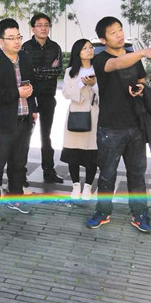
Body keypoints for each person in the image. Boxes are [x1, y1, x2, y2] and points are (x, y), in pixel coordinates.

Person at [86, 17, 151, 233]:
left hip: (136, 125)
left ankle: (140, 214)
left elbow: (141, 80)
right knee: (107, 174)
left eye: (120, 29)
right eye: (112, 32)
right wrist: (143, 52)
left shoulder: (133, 57)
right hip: (110, 128)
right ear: (103, 39)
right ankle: (103, 212)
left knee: (137, 173)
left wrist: (139, 88)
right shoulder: (100, 59)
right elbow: (117, 64)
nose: (119, 34)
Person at [0, 18, 37, 220]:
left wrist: (33, 108)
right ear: (0, 41)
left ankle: (15, 197)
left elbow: (31, 85)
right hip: (3, 123)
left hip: (24, 119)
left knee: (19, 164)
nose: (17, 41)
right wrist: (16, 93)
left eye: (18, 37)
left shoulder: (25, 58)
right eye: (11, 38)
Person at [21, 13, 64, 184]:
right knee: (25, 135)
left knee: (46, 135)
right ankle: (20, 174)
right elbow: (25, 72)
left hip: (48, 96)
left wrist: (36, 72)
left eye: (46, 25)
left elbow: (57, 70)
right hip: (29, 97)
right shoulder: (25, 47)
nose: (43, 28)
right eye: (39, 25)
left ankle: (49, 171)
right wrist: (45, 71)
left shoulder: (55, 47)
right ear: (33, 28)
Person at [60, 39, 99, 201]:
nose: (89, 50)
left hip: (95, 115)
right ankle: (76, 185)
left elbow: (108, 92)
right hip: (76, 114)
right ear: (78, 52)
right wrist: (82, 83)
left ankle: (88, 186)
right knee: (73, 152)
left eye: (91, 47)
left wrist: (94, 84)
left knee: (92, 153)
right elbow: (66, 92)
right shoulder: (70, 71)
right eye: (85, 48)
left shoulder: (99, 68)